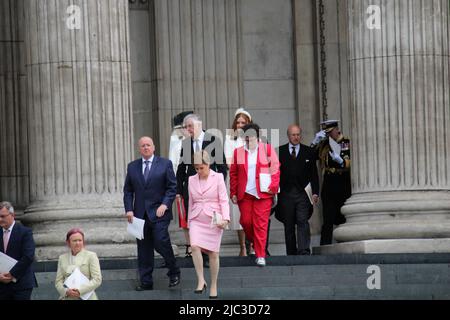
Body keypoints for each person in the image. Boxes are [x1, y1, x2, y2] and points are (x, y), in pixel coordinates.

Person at [123, 136, 180, 291]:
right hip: (139, 215)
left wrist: (165, 204)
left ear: (154, 147)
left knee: (161, 240)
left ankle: (173, 270)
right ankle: (146, 281)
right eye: (142, 146)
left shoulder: (165, 164)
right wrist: (129, 209)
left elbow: (172, 187)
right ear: (139, 149)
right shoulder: (132, 167)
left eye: (148, 145)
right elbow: (128, 190)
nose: (146, 148)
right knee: (144, 248)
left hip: (159, 213)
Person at [176, 113, 228, 258]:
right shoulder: (186, 144)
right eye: (186, 127)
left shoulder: (213, 141)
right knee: (194, 224)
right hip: (192, 192)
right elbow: (181, 170)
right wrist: (179, 190)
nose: (188, 129)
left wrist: (217, 185)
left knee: (209, 225)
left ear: (199, 125)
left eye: (190, 126)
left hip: (211, 193)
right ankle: (199, 255)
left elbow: (222, 168)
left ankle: (208, 255)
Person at [230, 123, 280, 267]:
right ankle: (255, 241)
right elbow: (233, 173)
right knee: (246, 222)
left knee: (260, 225)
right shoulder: (238, 152)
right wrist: (233, 191)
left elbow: (275, 168)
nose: (249, 139)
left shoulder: (267, 149)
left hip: (263, 193)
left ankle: (260, 254)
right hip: (245, 194)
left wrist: (273, 186)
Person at [188, 151, 230, 299]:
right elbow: (191, 202)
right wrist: (189, 222)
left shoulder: (218, 177)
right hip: (196, 218)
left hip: (213, 219)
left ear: (208, 164)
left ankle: (213, 284)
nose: (199, 171)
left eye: (201, 168)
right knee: (194, 246)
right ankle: (201, 280)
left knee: (213, 253)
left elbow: (224, 199)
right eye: (196, 168)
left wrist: (226, 219)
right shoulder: (191, 180)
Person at [275, 125, 320, 255]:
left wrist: (315, 192)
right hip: (285, 194)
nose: (296, 137)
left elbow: (314, 174)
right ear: (288, 136)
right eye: (293, 135)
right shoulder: (279, 151)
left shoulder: (308, 152)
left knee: (302, 221)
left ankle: (304, 251)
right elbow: (274, 174)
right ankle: (291, 253)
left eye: (298, 134)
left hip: (303, 193)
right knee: (288, 225)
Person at [311, 120, 351, 245]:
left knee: (342, 216)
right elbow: (310, 158)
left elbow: (348, 161)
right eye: (326, 133)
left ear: (336, 130)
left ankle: (345, 243)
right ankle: (325, 245)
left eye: (330, 132)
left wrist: (341, 161)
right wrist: (314, 142)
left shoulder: (345, 142)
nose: (328, 135)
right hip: (328, 184)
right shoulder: (324, 144)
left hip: (341, 182)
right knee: (327, 218)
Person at [224, 108, 252, 256]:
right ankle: (242, 247)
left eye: (243, 122)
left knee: (252, 214)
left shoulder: (255, 138)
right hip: (236, 179)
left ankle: (252, 245)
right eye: (238, 122)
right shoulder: (230, 138)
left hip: (252, 180)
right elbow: (229, 161)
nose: (240, 125)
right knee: (238, 215)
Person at [0, 201, 37, 300]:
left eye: (3, 216)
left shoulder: (25, 232)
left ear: (12, 215)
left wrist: (12, 274)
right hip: (2, 285)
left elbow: (28, 256)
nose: (0, 219)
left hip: (21, 284)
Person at [55, 228, 102, 300]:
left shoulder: (91, 256)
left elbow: (97, 279)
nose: (78, 243)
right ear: (68, 242)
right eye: (74, 241)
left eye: (80, 240)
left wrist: (80, 291)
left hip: (87, 297)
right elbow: (58, 282)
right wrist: (66, 291)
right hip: (67, 297)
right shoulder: (62, 258)